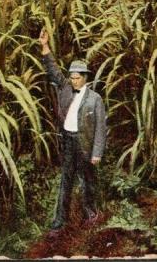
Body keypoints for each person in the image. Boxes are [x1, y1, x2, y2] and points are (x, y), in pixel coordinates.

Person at [39, 28, 107, 231]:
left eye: (77, 77)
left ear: (85, 78)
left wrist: (96, 153)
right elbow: (52, 69)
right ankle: (60, 220)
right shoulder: (66, 87)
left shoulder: (95, 99)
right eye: (72, 76)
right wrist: (45, 47)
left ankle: (90, 214)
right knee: (65, 180)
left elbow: (101, 130)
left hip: (84, 143)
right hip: (68, 141)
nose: (74, 80)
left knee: (87, 181)